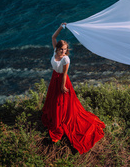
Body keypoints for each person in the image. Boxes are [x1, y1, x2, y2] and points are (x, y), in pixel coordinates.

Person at [42, 23, 105, 154]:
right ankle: (56, 117)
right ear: (58, 48)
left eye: (65, 49)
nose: (63, 51)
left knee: (63, 103)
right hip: (54, 78)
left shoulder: (66, 59)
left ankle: (61, 120)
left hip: (62, 81)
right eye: (62, 49)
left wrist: (62, 86)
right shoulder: (54, 51)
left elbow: (64, 74)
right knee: (54, 101)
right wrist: (60, 27)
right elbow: (53, 37)